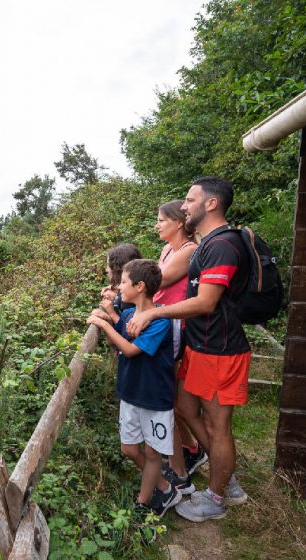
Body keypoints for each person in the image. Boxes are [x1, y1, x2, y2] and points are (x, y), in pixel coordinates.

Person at [126, 177, 250, 523]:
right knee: (182, 405)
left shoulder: (222, 246)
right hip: (201, 345)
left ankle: (218, 496)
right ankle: (224, 476)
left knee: (218, 424)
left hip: (221, 349)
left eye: (190, 199)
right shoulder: (209, 244)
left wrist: (154, 311)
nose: (184, 206)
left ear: (211, 204)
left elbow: (207, 302)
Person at [87, 259, 181, 520]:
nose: (119, 286)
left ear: (140, 287)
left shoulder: (161, 321)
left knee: (152, 452)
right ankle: (163, 486)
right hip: (130, 393)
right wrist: (108, 316)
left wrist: (105, 323)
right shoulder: (128, 315)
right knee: (129, 449)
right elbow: (119, 339)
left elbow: (130, 350)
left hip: (154, 397)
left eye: (124, 282)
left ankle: (143, 502)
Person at [152, 200, 206, 495]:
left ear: (177, 222)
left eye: (162, 220)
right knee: (172, 399)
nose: (157, 225)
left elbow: (157, 281)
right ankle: (191, 448)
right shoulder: (167, 249)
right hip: (166, 326)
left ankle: (179, 471)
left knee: (168, 398)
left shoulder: (188, 251)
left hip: (178, 330)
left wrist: (124, 288)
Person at [97, 243, 141, 325]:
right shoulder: (137, 288)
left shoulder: (129, 295)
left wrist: (111, 313)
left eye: (109, 265)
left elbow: (128, 330)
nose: (107, 270)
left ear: (117, 268)